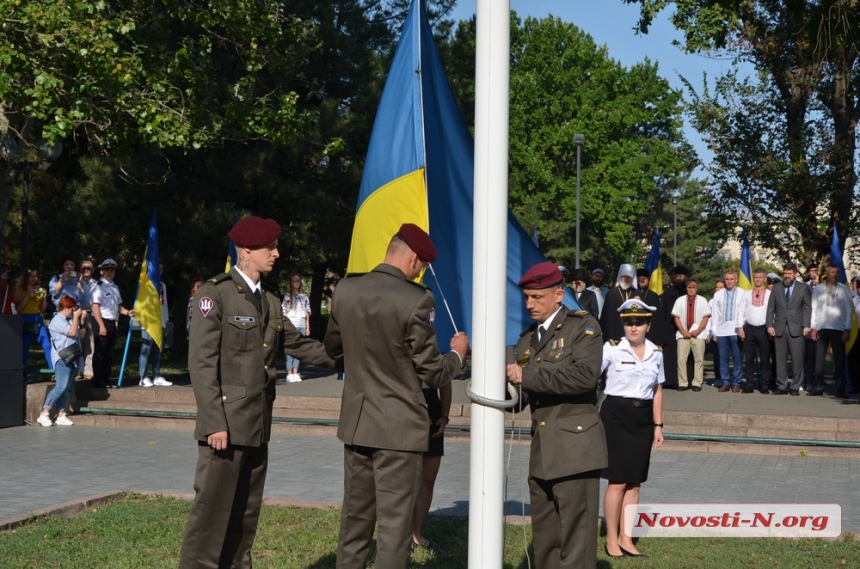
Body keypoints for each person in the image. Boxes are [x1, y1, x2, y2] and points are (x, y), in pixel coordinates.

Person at [179, 216, 337, 568]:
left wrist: (351, 357)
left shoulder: (268, 300)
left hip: (257, 425)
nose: (277, 253)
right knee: (210, 518)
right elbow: (202, 364)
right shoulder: (214, 294)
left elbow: (298, 344)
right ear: (247, 251)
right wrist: (213, 422)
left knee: (245, 515)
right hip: (225, 428)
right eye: (271, 247)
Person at [324, 223, 468, 569]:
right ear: (415, 259)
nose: (420, 273)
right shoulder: (417, 299)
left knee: (355, 522)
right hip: (399, 430)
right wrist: (458, 355)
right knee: (394, 527)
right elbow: (432, 372)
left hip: (358, 423)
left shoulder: (346, 289)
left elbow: (333, 348)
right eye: (422, 267)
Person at [505, 261, 606, 569]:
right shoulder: (526, 340)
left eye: (537, 297)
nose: (529, 304)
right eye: (526, 297)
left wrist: (527, 377)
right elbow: (518, 399)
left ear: (559, 294)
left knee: (577, 547)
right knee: (546, 543)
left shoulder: (583, 327)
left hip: (576, 450)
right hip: (543, 455)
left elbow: (585, 378)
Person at [600, 299, 664, 558]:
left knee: (635, 482)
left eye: (639, 323)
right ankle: (611, 539)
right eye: (628, 322)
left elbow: (658, 389)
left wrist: (658, 425)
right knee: (617, 481)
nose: (633, 327)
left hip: (643, 419)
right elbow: (590, 374)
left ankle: (627, 537)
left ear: (648, 325)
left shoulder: (656, 352)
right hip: (616, 416)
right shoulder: (612, 349)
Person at [411, 382, 452, 552]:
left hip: (432, 405)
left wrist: (444, 415)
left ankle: (417, 534)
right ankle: (402, 536)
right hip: (408, 402)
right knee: (406, 479)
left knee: (428, 479)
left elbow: (446, 382)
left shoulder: (439, 354)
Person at [36, 295, 84, 427]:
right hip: (62, 358)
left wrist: (81, 320)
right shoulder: (57, 320)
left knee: (66, 388)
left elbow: (81, 335)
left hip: (72, 357)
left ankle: (61, 414)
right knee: (60, 386)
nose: (74, 310)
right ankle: (44, 413)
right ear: (67, 307)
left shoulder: (69, 319)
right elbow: (72, 333)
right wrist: (76, 317)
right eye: (72, 307)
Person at [766, 262, 811, 396]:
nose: (787, 276)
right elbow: (770, 308)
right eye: (785, 273)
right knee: (780, 359)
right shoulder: (777, 288)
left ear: (795, 274)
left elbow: (807, 307)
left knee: (797, 359)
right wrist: (769, 325)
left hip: (797, 328)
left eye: (789, 274)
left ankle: (795, 386)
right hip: (779, 328)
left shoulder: (803, 288)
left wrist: (806, 325)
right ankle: (782, 385)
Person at [809, 264, 853, 398]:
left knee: (839, 360)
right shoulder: (818, 289)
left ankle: (840, 389)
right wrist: (813, 327)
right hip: (821, 328)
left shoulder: (844, 289)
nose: (835, 274)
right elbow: (814, 308)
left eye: (837, 272)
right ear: (827, 274)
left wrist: (847, 329)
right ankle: (818, 387)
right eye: (833, 272)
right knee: (819, 360)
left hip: (838, 328)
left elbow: (849, 310)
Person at [90, 259, 134, 389]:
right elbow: (95, 307)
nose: (110, 272)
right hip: (101, 321)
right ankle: (98, 381)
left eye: (112, 270)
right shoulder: (98, 286)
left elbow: (118, 307)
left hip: (112, 322)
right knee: (100, 352)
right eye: (107, 270)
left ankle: (106, 378)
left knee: (109, 353)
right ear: (102, 271)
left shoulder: (114, 287)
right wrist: (101, 326)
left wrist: (128, 312)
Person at [671, 279, 710, 391]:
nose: (691, 289)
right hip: (683, 334)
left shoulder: (703, 300)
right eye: (689, 287)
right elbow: (676, 317)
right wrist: (683, 331)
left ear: (697, 288)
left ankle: (697, 383)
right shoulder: (679, 300)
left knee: (699, 359)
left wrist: (698, 330)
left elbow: (706, 317)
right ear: (686, 288)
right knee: (681, 360)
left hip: (698, 334)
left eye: (693, 287)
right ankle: (683, 383)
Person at [738, 269, 772, 393]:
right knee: (749, 358)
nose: (757, 279)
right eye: (755, 277)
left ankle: (765, 384)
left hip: (763, 328)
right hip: (749, 328)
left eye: (760, 277)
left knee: (765, 358)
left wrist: (771, 326)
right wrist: (740, 327)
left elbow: (773, 311)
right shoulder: (747, 294)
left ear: (764, 279)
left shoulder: (769, 294)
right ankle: (749, 383)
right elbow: (741, 311)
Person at [138, 261, 172, 387]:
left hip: (161, 321)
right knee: (146, 349)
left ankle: (157, 375)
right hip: (148, 321)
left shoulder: (162, 285)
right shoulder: (145, 284)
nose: (160, 270)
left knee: (158, 349)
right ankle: (143, 377)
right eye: (157, 268)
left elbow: (165, 303)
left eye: (162, 268)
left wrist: (167, 319)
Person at [711, 271, 745, 392]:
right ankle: (725, 382)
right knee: (723, 359)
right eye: (727, 279)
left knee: (737, 358)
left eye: (731, 279)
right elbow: (715, 314)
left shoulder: (742, 293)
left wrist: (742, 328)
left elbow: (743, 313)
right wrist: (714, 331)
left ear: (736, 280)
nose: (729, 281)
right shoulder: (718, 294)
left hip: (736, 331)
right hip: (721, 331)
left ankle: (736, 382)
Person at [655, 266, 689, 390]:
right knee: (670, 354)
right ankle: (670, 380)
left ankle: (685, 380)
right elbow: (663, 312)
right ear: (673, 277)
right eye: (677, 276)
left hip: (686, 328)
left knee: (685, 355)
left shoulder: (688, 291)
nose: (679, 278)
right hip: (669, 327)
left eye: (681, 276)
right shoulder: (668, 293)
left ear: (685, 277)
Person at [15, 268, 53, 373]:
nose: (33, 278)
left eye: (35, 276)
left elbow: (42, 309)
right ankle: (23, 375)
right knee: (25, 349)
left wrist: (45, 299)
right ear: (26, 278)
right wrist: (28, 296)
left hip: (37, 319)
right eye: (31, 276)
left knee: (47, 345)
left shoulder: (40, 290)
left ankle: (53, 371)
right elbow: (18, 309)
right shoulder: (22, 290)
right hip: (24, 320)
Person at [282, 271, 311, 383]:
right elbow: (283, 312)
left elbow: (307, 313)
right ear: (290, 282)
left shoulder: (304, 297)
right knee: (290, 348)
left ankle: (296, 372)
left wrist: (307, 327)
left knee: (299, 349)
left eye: (298, 280)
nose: (296, 283)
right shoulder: (287, 296)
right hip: (291, 324)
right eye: (294, 281)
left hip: (301, 325)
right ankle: (289, 373)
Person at [600, 263, 640, 343]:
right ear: (620, 277)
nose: (626, 279)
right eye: (624, 276)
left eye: (628, 277)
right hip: (614, 333)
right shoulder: (612, 293)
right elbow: (606, 317)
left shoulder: (636, 293)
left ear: (632, 278)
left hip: (632, 331)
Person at [77, 260, 97, 379]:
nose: (86, 270)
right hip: (77, 312)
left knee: (90, 342)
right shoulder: (75, 282)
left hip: (91, 313)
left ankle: (88, 370)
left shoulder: (97, 283)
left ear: (92, 270)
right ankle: (77, 370)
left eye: (88, 268)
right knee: (77, 341)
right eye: (83, 268)